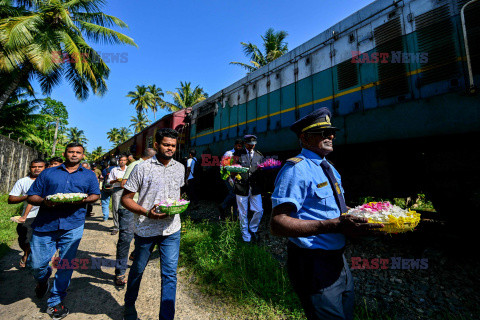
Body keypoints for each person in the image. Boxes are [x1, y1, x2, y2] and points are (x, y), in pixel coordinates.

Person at [270, 108, 384, 320]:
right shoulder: (296, 169)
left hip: (338, 259)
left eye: (331, 132)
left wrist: (367, 215)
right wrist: (334, 225)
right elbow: (277, 223)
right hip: (313, 263)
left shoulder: (329, 168)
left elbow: (336, 210)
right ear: (304, 138)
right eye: (323, 132)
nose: (331, 136)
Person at [27, 142, 100, 319]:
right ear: (65, 153)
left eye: (78, 152)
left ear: (83, 155)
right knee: (36, 265)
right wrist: (45, 202)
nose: (74, 155)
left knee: (66, 264)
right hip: (46, 224)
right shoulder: (48, 172)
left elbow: (95, 194)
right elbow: (32, 195)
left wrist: (83, 201)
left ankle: (56, 301)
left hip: (73, 225)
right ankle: (43, 279)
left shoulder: (89, 175)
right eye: (71, 152)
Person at [121, 128, 185, 320]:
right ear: (156, 145)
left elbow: (177, 196)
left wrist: (177, 207)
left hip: (171, 229)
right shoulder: (142, 168)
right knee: (138, 270)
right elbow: (126, 199)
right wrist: (146, 212)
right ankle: (129, 304)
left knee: (170, 275)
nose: (170, 149)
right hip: (145, 229)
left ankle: (166, 317)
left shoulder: (180, 168)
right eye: (166, 145)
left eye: (173, 145)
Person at [114, 147, 157, 286]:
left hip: (142, 207)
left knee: (145, 235)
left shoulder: (149, 167)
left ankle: (134, 254)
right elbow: (124, 183)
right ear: (150, 158)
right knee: (125, 239)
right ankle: (120, 273)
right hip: (129, 208)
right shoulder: (135, 165)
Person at [8, 159, 46, 268]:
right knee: (24, 239)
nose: (37, 169)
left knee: (42, 240)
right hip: (29, 216)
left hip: (45, 215)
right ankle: (26, 253)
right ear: (30, 168)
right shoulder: (23, 181)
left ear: (45, 168)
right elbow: (11, 199)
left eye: (40, 167)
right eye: (34, 167)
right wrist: (28, 197)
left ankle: (40, 261)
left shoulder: (49, 180)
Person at [233, 135, 264, 243]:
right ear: (245, 144)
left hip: (255, 187)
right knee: (243, 213)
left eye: (253, 143)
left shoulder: (259, 155)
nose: (252, 145)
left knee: (259, 210)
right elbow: (232, 169)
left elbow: (261, 172)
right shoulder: (237, 154)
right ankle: (245, 235)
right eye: (250, 144)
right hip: (241, 187)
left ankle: (253, 228)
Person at [219, 139, 243, 220]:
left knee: (236, 194)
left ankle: (235, 214)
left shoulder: (240, 154)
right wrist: (229, 176)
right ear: (235, 145)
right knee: (233, 193)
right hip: (228, 176)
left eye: (241, 146)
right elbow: (224, 165)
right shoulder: (229, 153)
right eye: (238, 146)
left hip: (235, 177)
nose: (239, 147)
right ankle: (223, 206)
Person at [107, 155, 128, 235]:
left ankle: (125, 226)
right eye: (120, 160)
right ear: (118, 161)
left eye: (124, 160)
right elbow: (109, 181)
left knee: (127, 208)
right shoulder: (114, 170)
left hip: (127, 189)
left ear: (126, 161)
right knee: (115, 208)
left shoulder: (129, 169)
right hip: (117, 189)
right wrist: (115, 180)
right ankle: (116, 227)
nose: (122, 162)